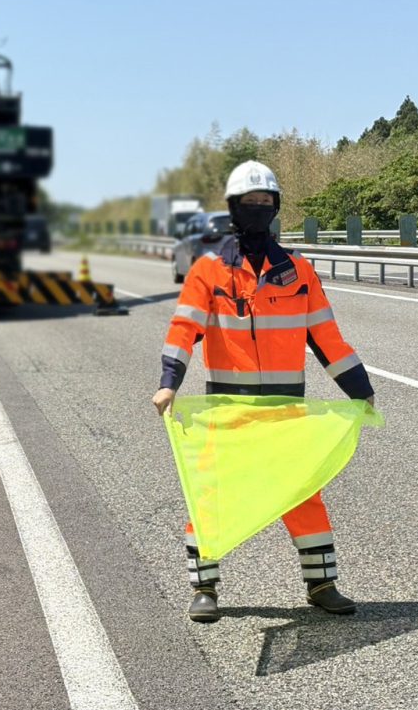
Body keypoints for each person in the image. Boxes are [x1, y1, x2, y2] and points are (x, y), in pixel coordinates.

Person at [152, 160, 376, 623]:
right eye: (249, 204)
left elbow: (326, 337)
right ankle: (205, 588)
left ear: (275, 209)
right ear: (233, 209)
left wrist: (359, 387)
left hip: (284, 409)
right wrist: (168, 382)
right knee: (210, 493)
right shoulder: (209, 270)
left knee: (302, 493)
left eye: (265, 203)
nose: (258, 210)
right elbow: (184, 328)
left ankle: (321, 584)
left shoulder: (297, 272)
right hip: (228, 409)